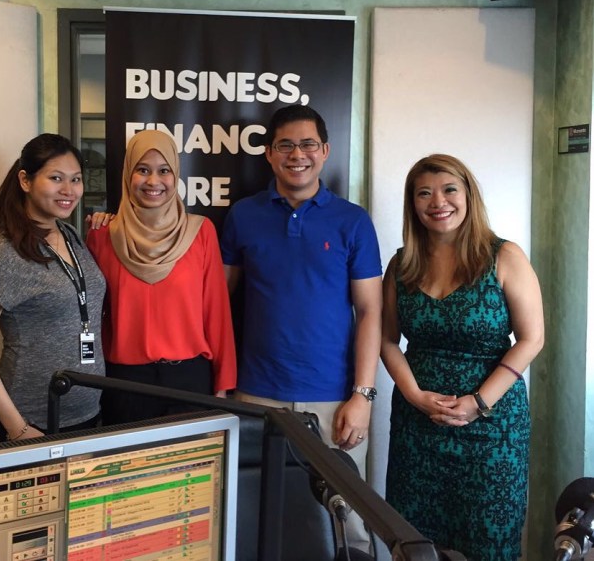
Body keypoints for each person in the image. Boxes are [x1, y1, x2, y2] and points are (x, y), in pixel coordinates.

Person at [221, 105, 382, 554]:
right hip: (257, 397)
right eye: (286, 145)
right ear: (269, 154)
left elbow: (371, 311)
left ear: (325, 151)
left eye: (308, 144)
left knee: (348, 525)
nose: (298, 155)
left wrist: (363, 396)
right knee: (259, 518)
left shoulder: (352, 220)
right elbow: (217, 303)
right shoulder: (243, 216)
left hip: (335, 401)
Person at [381, 154, 544, 561]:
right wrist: (415, 396)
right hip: (418, 427)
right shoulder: (402, 265)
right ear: (413, 204)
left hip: (493, 430)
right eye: (424, 193)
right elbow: (386, 340)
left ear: (468, 194)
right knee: (414, 543)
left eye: (449, 189)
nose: (438, 202)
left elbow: (531, 339)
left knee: (490, 544)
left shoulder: (504, 256)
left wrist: (480, 402)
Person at [0, 133, 106, 444]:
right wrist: (18, 428)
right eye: (56, 178)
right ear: (25, 180)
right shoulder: (5, 255)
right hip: (30, 424)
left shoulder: (70, 234)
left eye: (76, 179)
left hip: (85, 416)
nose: (69, 190)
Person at [86, 129, 236, 424]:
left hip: (189, 381)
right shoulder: (103, 235)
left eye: (164, 170)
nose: (153, 181)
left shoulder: (200, 231)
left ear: (175, 174)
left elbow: (216, 312)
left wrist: (223, 385)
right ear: (128, 174)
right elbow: (93, 316)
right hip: (124, 383)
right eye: (142, 170)